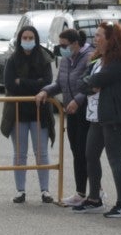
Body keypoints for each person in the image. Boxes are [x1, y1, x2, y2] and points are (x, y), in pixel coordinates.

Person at [76, 21, 121, 217]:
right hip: (95, 115)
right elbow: (83, 82)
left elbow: (96, 81)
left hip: (113, 115)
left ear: (111, 39)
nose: (96, 39)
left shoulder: (120, 61)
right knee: (90, 155)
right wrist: (91, 84)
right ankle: (94, 198)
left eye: (99, 35)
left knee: (114, 158)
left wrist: (92, 84)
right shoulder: (97, 59)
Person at [37, 29, 94, 207]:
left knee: (88, 153)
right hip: (71, 113)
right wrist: (45, 90)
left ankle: (94, 191)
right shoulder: (65, 60)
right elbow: (59, 83)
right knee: (77, 151)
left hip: (86, 111)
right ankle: (80, 192)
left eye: (64, 45)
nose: (61, 49)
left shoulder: (89, 57)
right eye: (59, 45)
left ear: (75, 43)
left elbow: (90, 84)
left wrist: (78, 100)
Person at [2, 23, 55, 203]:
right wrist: (34, 83)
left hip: (40, 113)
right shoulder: (12, 59)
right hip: (18, 113)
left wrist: (22, 82)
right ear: (19, 40)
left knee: (41, 153)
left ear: (36, 39)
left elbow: (47, 82)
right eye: (24, 38)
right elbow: (9, 83)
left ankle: (45, 190)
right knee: (20, 153)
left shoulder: (44, 58)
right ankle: (20, 190)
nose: (27, 41)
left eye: (30, 38)